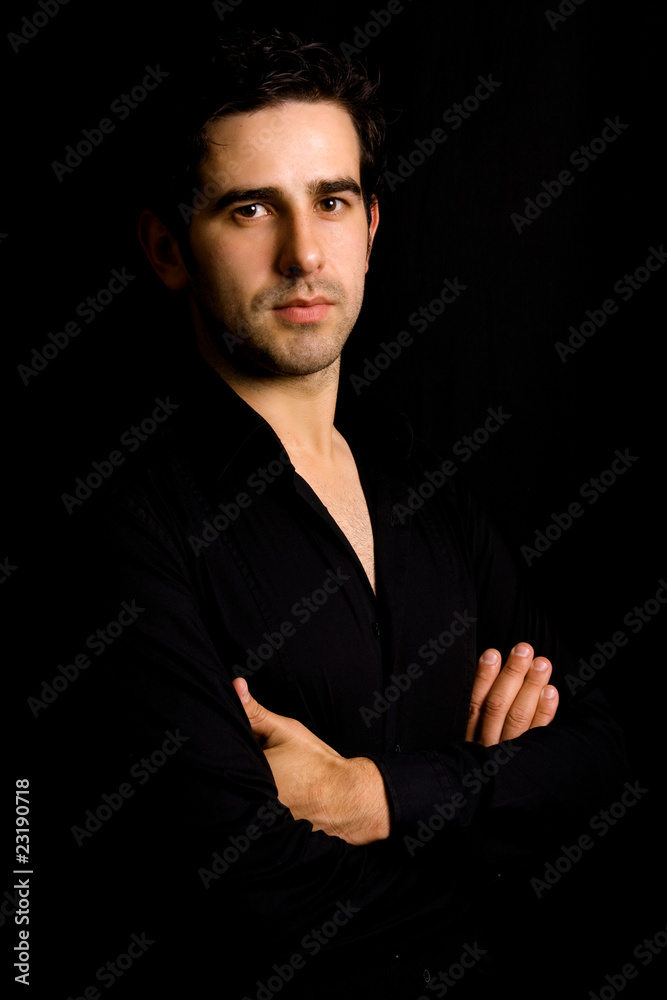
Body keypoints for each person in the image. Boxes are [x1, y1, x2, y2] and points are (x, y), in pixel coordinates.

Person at [80, 30, 627, 998]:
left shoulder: (419, 482)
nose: (302, 252)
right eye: (251, 209)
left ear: (370, 227)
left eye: (330, 202)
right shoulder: (123, 529)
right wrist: (497, 830)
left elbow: (600, 760)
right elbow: (245, 896)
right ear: (167, 247)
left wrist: (370, 794)